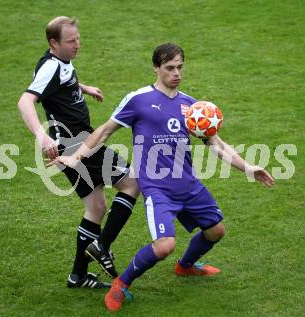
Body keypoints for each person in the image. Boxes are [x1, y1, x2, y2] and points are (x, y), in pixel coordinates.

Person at [54, 43, 275, 311]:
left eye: (180, 67)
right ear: (156, 68)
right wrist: (75, 157)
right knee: (164, 246)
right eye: (170, 68)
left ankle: (186, 267)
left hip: (188, 183)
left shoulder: (192, 107)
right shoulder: (139, 100)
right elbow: (104, 131)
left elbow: (216, 144)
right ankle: (121, 284)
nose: (176, 73)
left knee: (216, 231)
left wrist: (248, 167)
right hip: (157, 188)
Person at [17, 16, 139, 289]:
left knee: (96, 207)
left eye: (78, 39)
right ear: (53, 43)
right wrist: (40, 135)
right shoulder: (50, 68)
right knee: (132, 183)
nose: (77, 45)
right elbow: (25, 100)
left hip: (71, 145)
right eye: (71, 41)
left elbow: (62, 79)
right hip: (77, 144)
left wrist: (84, 88)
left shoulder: (59, 62)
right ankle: (102, 246)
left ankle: (78, 275)